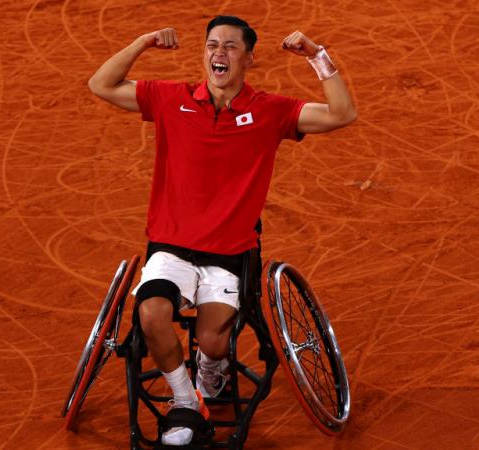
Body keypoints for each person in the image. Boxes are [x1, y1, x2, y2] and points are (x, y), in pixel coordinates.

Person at [87, 15, 357, 448]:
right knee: (151, 314)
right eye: (213, 44)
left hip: (229, 253)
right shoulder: (168, 97)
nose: (220, 53)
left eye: (231, 47)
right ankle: (184, 400)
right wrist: (143, 41)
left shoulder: (270, 111)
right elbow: (100, 84)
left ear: (249, 58)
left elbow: (343, 114)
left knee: (214, 342)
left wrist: (318, 57)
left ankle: (209, 373)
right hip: (171, 247)